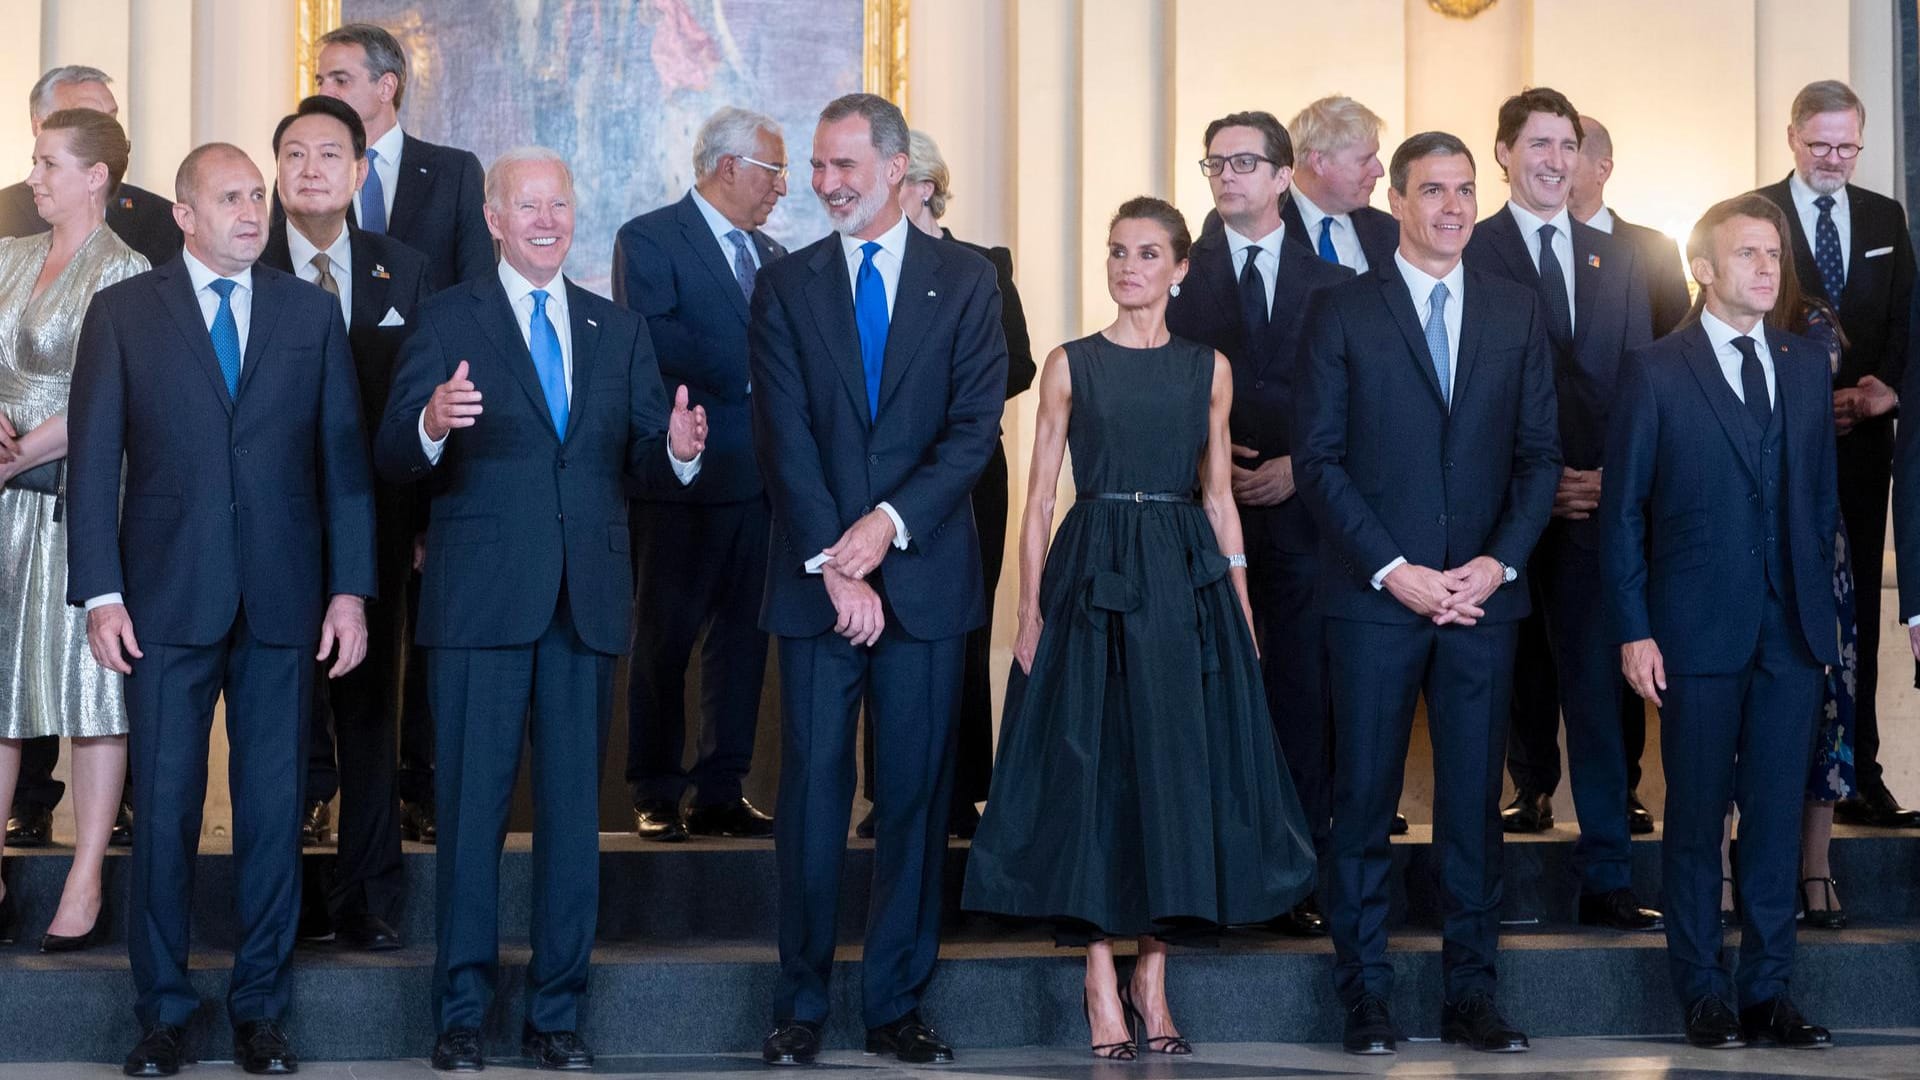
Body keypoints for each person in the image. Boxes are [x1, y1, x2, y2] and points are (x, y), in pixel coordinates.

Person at [376, 146, 705, 1073]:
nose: (548, 220)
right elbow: (396, 453)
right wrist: (433, 422)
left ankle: (558, 1017)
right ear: (493, 218)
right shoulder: (447, 320)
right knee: (471, 818)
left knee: (571, 825)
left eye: (560, 204)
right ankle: (461, 1019)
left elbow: (642, 460)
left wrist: (677, 450)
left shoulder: (619, 328)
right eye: (529, 206)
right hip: (479, 606)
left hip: (585, 608)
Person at [964, 194, 1315, 1059]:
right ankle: (1096, 977)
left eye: (1148, 253)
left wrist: (1237, 601)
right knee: (1093, 768)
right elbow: (1040, 495)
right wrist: (1028, 607)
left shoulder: (1209, 368)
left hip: (1184, 572)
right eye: (1118, 251)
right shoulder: (1070, 364)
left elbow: (1222, 498)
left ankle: (1153, 975)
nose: (1129, 267)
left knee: (1173, 766)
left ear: (1181, 267)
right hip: (1093, 568)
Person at [68, 142, 375, 1077]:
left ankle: (260, 1013)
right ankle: (162, 1014)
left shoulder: (308, 313)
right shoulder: (123, 312)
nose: (253, 210)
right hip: (162, 598)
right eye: (231, 197)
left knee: (275, 812)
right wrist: (102, 593)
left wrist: (351, 589)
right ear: (186, 215)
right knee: (162, 810)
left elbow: (344, 468)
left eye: (258, 195)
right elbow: (92, 463)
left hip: (285, 598)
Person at [752, 93, 1006, 1068]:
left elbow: (972, 431)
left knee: (913, 799)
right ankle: (800, 1006)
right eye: (818, 167)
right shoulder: (787, 285)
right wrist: (837, 558)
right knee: (813, 798)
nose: (827, 184)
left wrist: (882, 530)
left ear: (896, 168)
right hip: (820, 586)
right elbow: (787, 438)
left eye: (844, 166)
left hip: (927, 578)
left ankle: (895, 1003)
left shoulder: (967, 280)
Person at [1296, 131, 1558, 1056]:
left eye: (1463, 191)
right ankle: (1365, 996)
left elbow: (1538, 459)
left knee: (1473, 815)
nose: (1451, 207)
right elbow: (1318, 463)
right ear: (1395, 202)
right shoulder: (1341, 309)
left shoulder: (1516, 310)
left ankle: (1471, 996)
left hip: (1483, 601)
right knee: (1362, 805)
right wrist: (1394, 570)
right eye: (1431, 191)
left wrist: (1496, 563)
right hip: (1375, 601)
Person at [1600, 193, 1838, 1050]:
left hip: (1794, 634)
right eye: (1748, 254)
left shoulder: (1807, 363)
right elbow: (1623, 511)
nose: (1768, 269)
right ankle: (1702, 992)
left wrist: (1827, 621)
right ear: (1702, 269)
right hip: (1693, 630)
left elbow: (1817, 501)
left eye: (1774, 255)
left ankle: (1767, 991)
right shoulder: (1656, 369)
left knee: (1776, 823)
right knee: (1697, 820)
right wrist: (1634, 628)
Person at [1463, 88, 1660, 932]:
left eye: (1567, 145)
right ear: (1504, 152)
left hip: (1593, 514)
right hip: (1491, 517)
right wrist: (1540, 484)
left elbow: (1641, 387)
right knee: (1485, 699)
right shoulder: (1464, 247)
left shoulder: (1617, 259)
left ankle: (1608, 876)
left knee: (1597, 700)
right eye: (1538, 143)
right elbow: (1461, 392)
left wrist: (1612, 478)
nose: (1554, 160)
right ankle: (1476, 889)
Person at [1164, 110, 1351, 938]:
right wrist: (1211, 471)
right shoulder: (1176, 272)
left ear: (1283, 176)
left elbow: (1353, 410)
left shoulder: (1337, 282)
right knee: (1204, 696)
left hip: (1305, 519)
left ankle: (1294, 880)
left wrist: (1298, 471)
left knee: (1301, 701)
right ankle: (1203, 878)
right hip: (1195, 519)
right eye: (1215, 164)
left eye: (1244, 162)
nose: (1227, 175)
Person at [318, 21, 495, 844]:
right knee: (326, 623)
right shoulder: (308, 171)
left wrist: (435, 465)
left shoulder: (453, 174)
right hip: (323, 445)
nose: (327, 89)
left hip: (423, 441)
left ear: (387, 85)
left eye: (341, 76)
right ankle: (322, 787)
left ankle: (418, 785)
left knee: (419, 630)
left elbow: (470, 315)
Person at [262, 93, 430, 952]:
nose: (312, 169)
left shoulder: (405, 268)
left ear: (361, 171)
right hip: (271, 528)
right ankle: (285, 898)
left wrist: (424, 523)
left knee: (370, 715)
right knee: (282, 719)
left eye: (330, 154)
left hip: (378, 524)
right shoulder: (246, 263)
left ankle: (370, 893)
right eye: (295, 154)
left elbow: (431, 405)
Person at [2, 65, 176, 853]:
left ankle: (86, 874)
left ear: (93, 176)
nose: (31, 175)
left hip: (78, 503)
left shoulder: (126, 271)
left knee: (88, 686)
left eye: (46, 164)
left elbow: (111, 399)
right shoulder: (6, 254)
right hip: (6, 502)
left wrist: (18, 455)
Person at [856, 128, 1037, 840]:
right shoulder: (869, 264)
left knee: (961, 625)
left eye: (891, 180)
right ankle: (888, 795)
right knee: (881, 625)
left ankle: (960, 794)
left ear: (922, 186)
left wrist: (948, 393)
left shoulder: (985, 264)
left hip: (966, 473)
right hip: (883, 474)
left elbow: (1017, 364)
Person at [612, 106, 786, 844]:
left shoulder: (777, 255)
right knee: (664, 642)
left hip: (763, 482)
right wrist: (762, 368)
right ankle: (655, 787)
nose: (783, 188)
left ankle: (722, 786)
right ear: (729, 168)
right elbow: (656, 342)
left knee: (743, 644)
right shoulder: (650, 238)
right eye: (774, 172)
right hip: (682, 476)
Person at [1755, 80, 1918, 831]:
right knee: (1785, 608)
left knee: (1860, 617)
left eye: (1846, 146)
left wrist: (1884, 392)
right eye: (1819, 144)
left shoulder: (1886, 215)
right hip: (1777, 451)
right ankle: (1785, 779)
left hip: (1864, 450)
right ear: (1791, 136)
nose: (1833, 158)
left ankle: (1864, 773)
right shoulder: (1753, 216)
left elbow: (1903, 320)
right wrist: (1809, 402)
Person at [0, 66, 181, 268]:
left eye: (111, 118)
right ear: (39, 127)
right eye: (88, 119)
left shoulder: (161, 219)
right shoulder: (5, 213)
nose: (109, 133)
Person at [1566, 115, 1691, 338]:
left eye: (1568, 151)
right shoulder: (1532, 242)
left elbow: (1676, 343)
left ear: (1603, 169)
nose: (1556, 164)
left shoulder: (1656, 251)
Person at [1282, 96, 1398, 272]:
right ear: (1319, 162)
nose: (1379, 171)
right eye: (1364, 160)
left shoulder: (1389, 231)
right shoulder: (1262, 227)